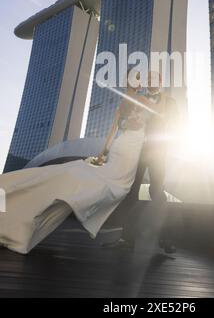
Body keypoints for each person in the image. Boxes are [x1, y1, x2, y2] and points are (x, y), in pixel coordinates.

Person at [0, 71, 164, 255]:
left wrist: (103, 152)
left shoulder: (126, 100)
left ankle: (29, 215)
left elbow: (114, 129)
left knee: (95, 180)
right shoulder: (140, 99)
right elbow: (154, 114)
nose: (142, 81)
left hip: (122, 146)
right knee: (109, 185)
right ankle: (73, 205)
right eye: (139, 78)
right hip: (129, 148)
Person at [118, 72, 178, 254]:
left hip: (159, 151)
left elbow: (177, 124)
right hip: (138, 150)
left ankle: (166, 238)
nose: (151, 82)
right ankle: (126, 238)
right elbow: (123, 120)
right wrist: (126, 123)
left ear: (160, 82)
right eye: (149, 79)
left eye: (155, 79)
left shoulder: (170, 102)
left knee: (158, 192)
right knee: (131, 190)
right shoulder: (139, 99)